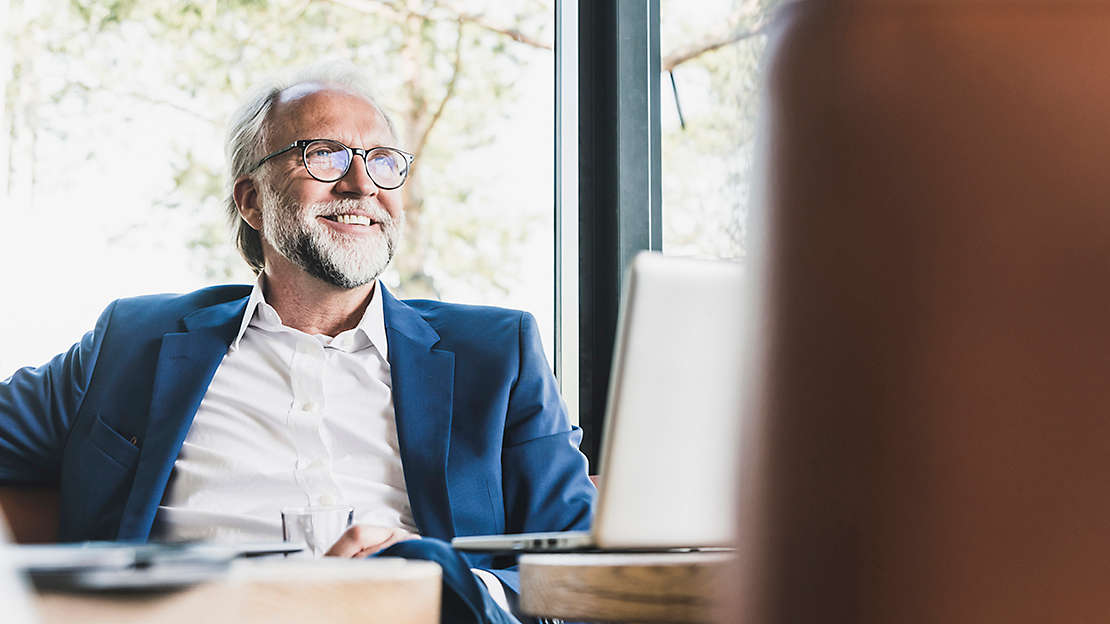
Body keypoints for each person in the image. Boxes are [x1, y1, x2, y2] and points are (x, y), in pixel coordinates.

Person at [0, 66, 595, 624]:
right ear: (252, 201)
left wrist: (447, 582)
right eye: (325, 156)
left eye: (384, 161)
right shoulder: (133, 341)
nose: (362, 184)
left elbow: (583, 564)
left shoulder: (498, 353)